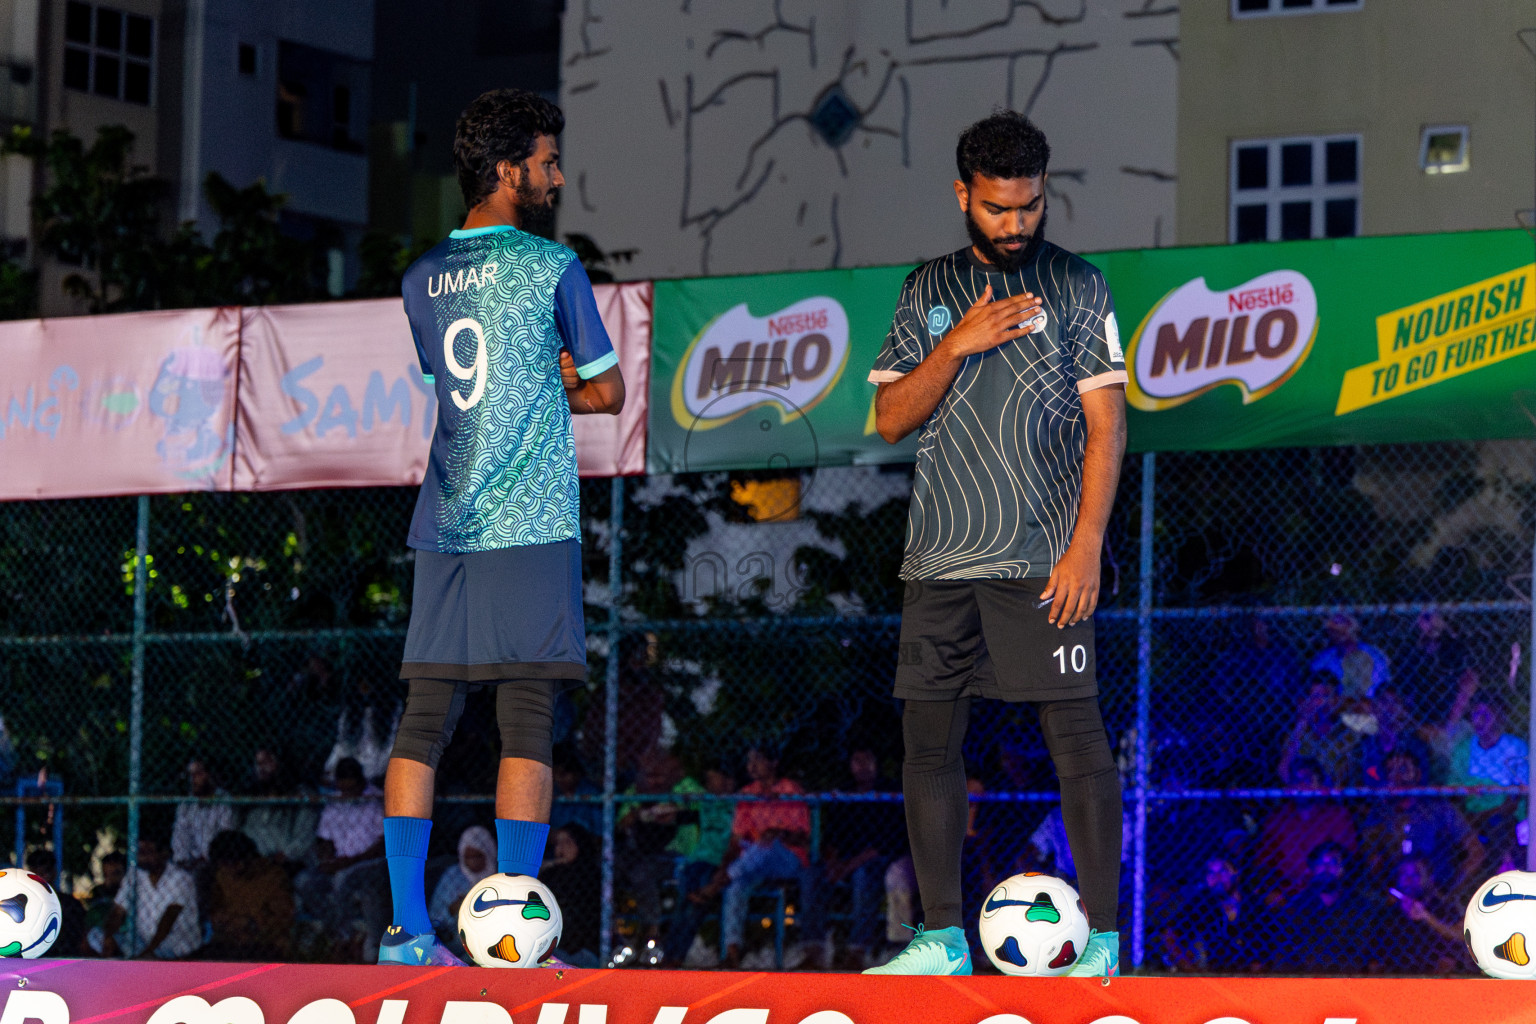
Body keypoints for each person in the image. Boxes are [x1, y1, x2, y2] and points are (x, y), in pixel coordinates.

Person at [863, 111, 1127, 977]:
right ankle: (940, 939)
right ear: (963, 196)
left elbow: (1107, 428)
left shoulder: (1081, 286)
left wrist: (1086, 544)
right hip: (939, 559)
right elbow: (891, 417)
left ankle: (1103, 943)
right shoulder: (924, 288)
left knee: (1078, 743)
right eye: (996, 209)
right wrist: (957, 342)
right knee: (929, 747)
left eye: (1029, 206)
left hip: (1043, 558)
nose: (1015, 225)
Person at [377, 87, 625, 967]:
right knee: (527, 723)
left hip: (444, 519)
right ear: (507, 167)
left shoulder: (419, 277)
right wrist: (559, 382)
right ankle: (516, 942)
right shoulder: (551, 268)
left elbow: (457, 387)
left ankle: (406, 933)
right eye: (548, 162)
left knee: (423, 724)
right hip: (529, 521)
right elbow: (608, 391)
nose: (557, 176)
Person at [693, 747, 822, 969]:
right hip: (753, 861)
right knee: (737, 884)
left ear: (772, 763)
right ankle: (732, 951)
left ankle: (717, 884)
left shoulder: (789, 789)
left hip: (787, 858)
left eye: (757, 761)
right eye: (749, 761)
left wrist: (779, 833)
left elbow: (803, 837)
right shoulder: (747, 793)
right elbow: (736, 840)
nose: (751, 766)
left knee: (765, 844)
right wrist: (726, 865)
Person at [294, 757, 387, 960]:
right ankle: (343, 931)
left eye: (351, 789)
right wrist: (327, 859)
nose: (347, 794)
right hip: (339, 862)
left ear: (361, 782)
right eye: (343, 788)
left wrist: (349, 862)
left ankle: (347, 936)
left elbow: (382, 845)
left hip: (369, 863)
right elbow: (324, 839)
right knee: (304, 882)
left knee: (341, 879)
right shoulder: (335, 800)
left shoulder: (377, 800)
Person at [821, 748, 906, 969]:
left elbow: (885, 843)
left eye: (867, 760)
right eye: (856, 761)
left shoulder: (889, 791)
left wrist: (848, 866)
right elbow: (831, 837)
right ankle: (814, 947)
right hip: (848, 860)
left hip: (881, 859)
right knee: (813, 873)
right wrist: (832, 863)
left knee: (864, 876)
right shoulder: (845, 794)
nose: (862, 766)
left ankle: (857, 949)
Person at [96, 833, 202, 960]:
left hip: (176, 946)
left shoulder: (181, 878)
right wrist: (108, 936)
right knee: (94, 936)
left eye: (148, 852)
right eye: (140, 851)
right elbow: (118, 911)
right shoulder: (135, 875)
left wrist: (150, 951)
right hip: (143, 942)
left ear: (164, 854)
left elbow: (169, 918)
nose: (142, 857)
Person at [203, 830, 294, 960]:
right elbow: (216, 910)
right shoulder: (222, 875)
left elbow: (283, 920)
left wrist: (251, 923)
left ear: (245, 859)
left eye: (229, 864)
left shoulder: (273, 877)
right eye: (222, 865)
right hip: (230, 941)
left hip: (264, 943)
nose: (227, 870)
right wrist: (219, 919)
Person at [428, 825, 496, 958]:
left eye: (478, 856)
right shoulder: (452, 876)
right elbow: (435, 919)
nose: (473, 862)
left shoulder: (499, 877)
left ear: (488, 853)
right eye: (468, 857)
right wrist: (452, 910)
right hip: (456, 942)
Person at [171, 758, 237, 871]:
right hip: (190, 864)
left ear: (210, 775)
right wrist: (184, 859)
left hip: (218, 863)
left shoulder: (225, 800)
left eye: (198, 774)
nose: (193, 779)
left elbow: (226, 834)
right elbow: (180, 835)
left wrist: (206, 858)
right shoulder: (186, 804)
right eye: (190, 775)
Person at [1308, 613, 1390, 699]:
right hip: (1335, 707)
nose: (1340, 633)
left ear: (1355, 627)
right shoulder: (1323, 659)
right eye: (1335, 629)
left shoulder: (1374, 655)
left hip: (1369, 705)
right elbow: (1316, 691)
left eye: (1344, 628)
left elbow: (1381, 688)